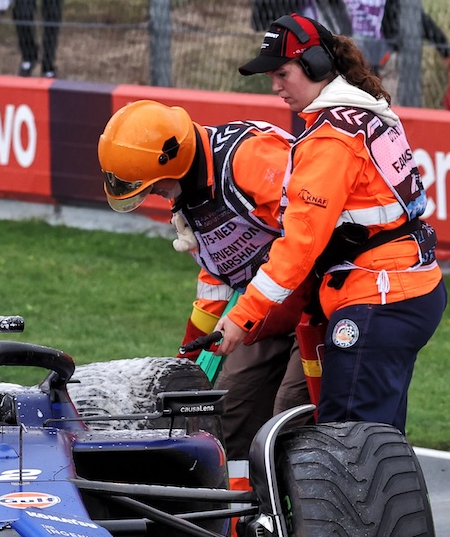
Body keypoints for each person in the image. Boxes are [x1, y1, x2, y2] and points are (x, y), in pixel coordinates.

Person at [206, 15, 446, 432]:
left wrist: (242, 316)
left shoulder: (330, 139)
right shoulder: (364, 112)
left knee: (344, 448)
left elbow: (299, 246)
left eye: (282, 73)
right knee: (379, 444)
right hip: (404, 291)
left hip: (379, 299)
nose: (274, 86)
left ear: (317, 66)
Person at [97, 100, 301, 487]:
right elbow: (218, 274)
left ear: (168, 164)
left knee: (289, 414)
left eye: (152, 186)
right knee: (231, 414)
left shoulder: (250, 158)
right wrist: (188, 356)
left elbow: (311, 236)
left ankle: (303, 518)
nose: (154, 195)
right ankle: (238, 525)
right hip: (266, 311)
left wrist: (249, 313)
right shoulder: (188, 195)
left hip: (321, 306)